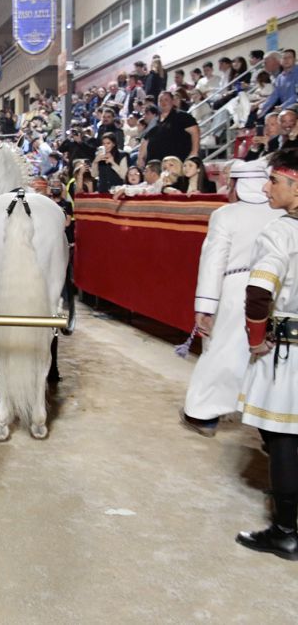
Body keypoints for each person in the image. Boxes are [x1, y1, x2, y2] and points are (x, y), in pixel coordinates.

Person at [181, 160, 281, 436]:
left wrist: (205, 307)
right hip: (277, 290)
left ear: (239, 184)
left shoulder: (226, 215)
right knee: (269, 356)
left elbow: (213, 263)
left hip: (237, 291)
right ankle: (268, 422)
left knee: (223, 352)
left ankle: (202, 413)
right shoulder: (281, 215)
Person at [236, 147, 298, 560]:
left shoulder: (280, 232)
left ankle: (286, 530)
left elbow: (259, 292)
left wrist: (256, 339)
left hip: (290, 354)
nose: (265, 187)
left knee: (284, 439)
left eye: (274, 180)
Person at [138, 91, 200, 167]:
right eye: (160, 100)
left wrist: (194, 152)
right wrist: (140, 158)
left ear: (172, 101)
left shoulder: (183, 116)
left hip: (176, 164)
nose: (163, 102)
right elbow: (145, 140)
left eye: (166, 99)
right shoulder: (154, 121)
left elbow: (195, 132)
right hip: (155, 166)